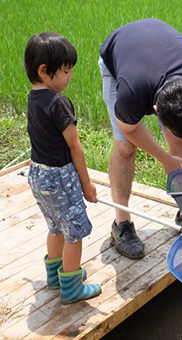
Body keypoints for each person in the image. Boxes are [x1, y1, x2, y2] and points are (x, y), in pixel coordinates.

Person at [99, 19, 182, 259]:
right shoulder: (132, 92)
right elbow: (129, 128)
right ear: (156, 109)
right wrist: (166, 159)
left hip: (159, 48)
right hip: (119, 52)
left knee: (180, 144)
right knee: (125, 148)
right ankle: (121, 223)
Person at [24, 32, 102, 303]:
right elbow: (75, 146)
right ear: (44, 71)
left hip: (38, 175)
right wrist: (86, 184)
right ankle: (71, 287)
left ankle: (54, 276)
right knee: (74, 232)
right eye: (66, 71)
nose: (70, 77)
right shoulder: (58, 103)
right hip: (60, 178)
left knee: (55, 227)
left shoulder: (33, 99)